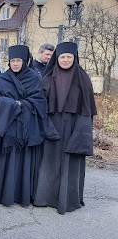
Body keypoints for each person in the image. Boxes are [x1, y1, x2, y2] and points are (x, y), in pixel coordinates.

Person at [34, 42, 96, 214]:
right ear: (57, 58)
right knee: (49, 162)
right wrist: (46, 126)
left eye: (69, 57)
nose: (66, 60)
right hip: (52, 125)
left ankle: (68, 199)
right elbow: (40, 105)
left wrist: (82, 131)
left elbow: (88, 110)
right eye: (62, 57)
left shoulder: (83, 79)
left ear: (75, 58)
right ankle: (45, 197)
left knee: (71, 162)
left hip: (75, 127)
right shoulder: (47, 79)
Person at [0, 45, 47, 207]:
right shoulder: (3, 78)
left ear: (24, 61)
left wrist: (20, 104)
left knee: (20, 162)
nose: (15, 64)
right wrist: (9, 104)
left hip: (25, 129)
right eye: (12, 61)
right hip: (6, 128)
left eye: (18, 61)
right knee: (4, 160)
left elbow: (39, 101)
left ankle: (19, 195)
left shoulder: (33, 77)